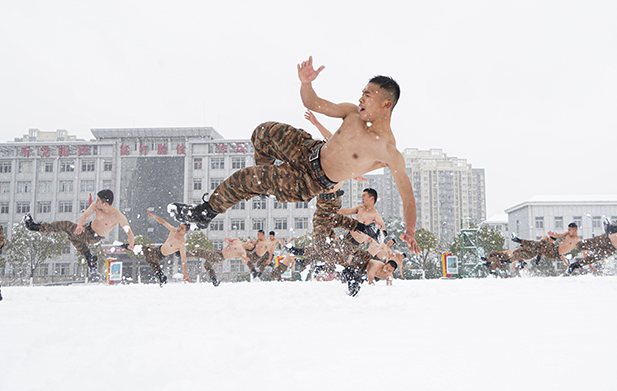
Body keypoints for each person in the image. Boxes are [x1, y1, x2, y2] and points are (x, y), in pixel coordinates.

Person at [168, 57, 420, 254]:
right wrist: (306, 83)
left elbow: (407, 197)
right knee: (264, 132)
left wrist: (410, 229)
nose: (360, 98)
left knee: (247, 178)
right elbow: (312, 102)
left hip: (311, 181)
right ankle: (263, 183)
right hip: (308, 149)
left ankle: (203, 213)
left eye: (368, 95)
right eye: (362, 92)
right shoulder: (352, 113)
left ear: (386, 104)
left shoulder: (388, 152)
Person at [24, 189, 134, 282]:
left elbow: (129, 232)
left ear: (106, 204)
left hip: (93, 236)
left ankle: (35, 227)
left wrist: (131, 245)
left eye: (99, 201)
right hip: (86, 228)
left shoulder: (117, 216)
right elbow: (85, 215)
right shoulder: (96, 206)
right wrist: (80, 225)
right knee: (71, 236)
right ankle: (89, 258)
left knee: (66, 226)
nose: (96, 202)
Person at [510, 222, 582, 274]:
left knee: (541, 243)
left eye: (570, 230)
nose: (568, 231)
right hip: (554, 248)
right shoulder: (567, 234)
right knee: (543, 240)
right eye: (568, 229)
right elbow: (559, 235)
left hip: (554, 253)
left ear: (574, 230)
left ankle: (520, 241)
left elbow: (584, 250)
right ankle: (537, 255)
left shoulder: (578, 241)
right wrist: (552, 236)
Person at [143, 209, 189, 286]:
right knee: (149, 260)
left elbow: (183, 260)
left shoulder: (181, 244)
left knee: (143, 249)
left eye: (182, 229)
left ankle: (126, 246)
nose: (179, 229)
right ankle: (161, 277)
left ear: (185, 232)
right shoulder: (173, 230)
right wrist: (152, 216)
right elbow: (163, 222)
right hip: (157, 248)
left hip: (160, 255)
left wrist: (185, 274)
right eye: (179, 226)